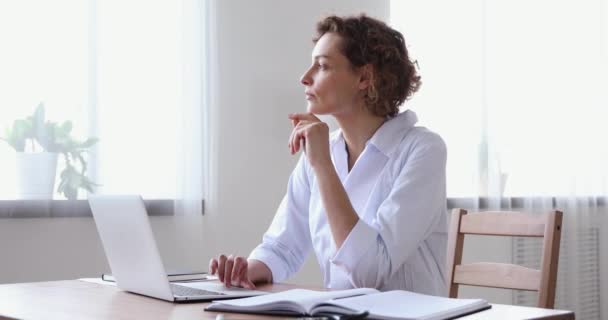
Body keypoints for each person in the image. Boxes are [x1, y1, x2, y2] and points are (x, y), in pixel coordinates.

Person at [209, 14, 447, 296]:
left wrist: (322, 165)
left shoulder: (422, 150)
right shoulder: (324, 148)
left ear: (364, 77)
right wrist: (245, 269)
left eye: (322, 65)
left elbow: (369, 272)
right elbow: (282, 247)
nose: (305, 77)